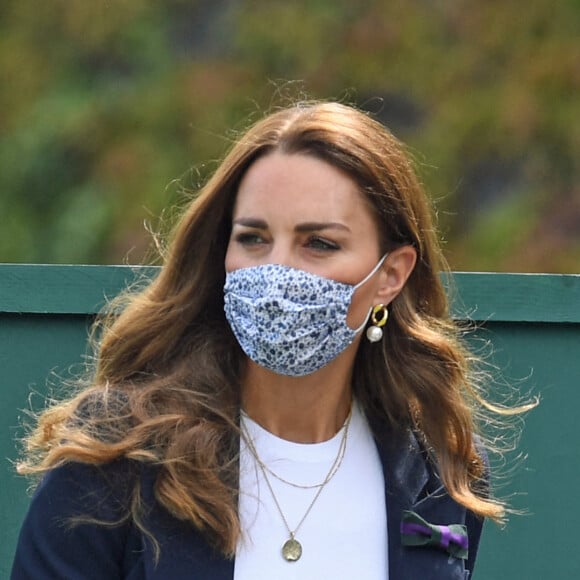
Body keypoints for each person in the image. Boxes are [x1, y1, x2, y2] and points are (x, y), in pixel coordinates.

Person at [12, 101, 506, 579]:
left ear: (390, 275)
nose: (277, 269)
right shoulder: (118, 454)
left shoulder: (440, 466)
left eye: (319, 244)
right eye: (253, 238)